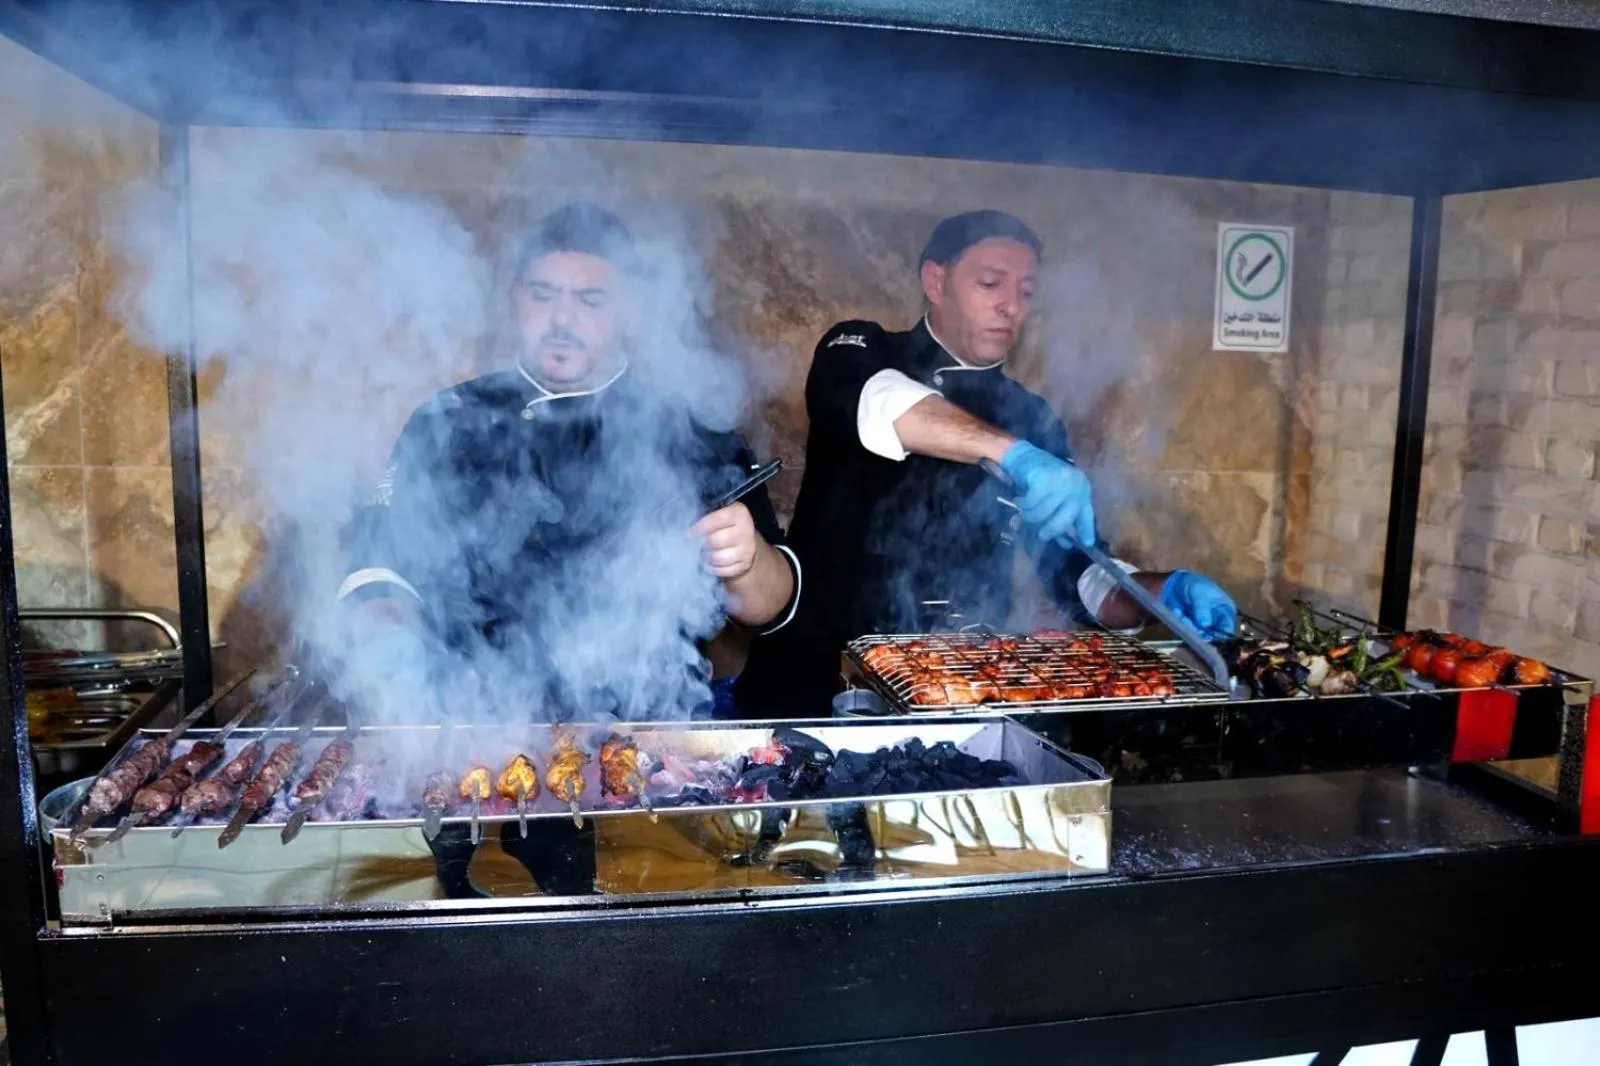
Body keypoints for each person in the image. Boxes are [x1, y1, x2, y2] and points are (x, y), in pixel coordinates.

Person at [336, 202, 800, 893]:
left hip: (641, 753)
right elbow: (379, 561)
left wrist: (748, 558)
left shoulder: (693, 431)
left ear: (630, 312)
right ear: (515, 301)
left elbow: (772, 604)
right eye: (543, 295)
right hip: (472, 740)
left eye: (590, 300)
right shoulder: (449, 418)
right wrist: (389, 642)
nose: (562, 318)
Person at [735, 209, 1236, 717]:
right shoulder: (858, 349)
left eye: (1026, 292)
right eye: (991, 283)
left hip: (955, 701)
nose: (1010, 307)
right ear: (935, 280)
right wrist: (1014, 454)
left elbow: (1077, 574)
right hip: (811, 688)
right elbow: (881, 401)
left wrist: (1157, 595)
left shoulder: (1034, 418)